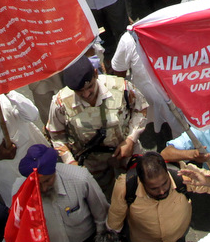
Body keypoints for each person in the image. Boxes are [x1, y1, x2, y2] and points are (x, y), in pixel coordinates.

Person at [47, 57, 150, 193]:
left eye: (90, 87)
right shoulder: (61, 102)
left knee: (143, 184)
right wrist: (71, 163)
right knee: (101, 193)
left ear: (96, 74)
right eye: (79, 91)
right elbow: (56, 137)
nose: (86, 94)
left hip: (126, 150)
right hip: (92, 161)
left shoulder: (120, 87)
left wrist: (131, 138)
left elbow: (141, 109)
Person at [19, 143, 111, 242]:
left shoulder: (80, 178)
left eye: (48, 181)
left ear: (54, 171)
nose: (43, 189)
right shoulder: (21, 192)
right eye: (37, 184)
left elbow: (101, 214)